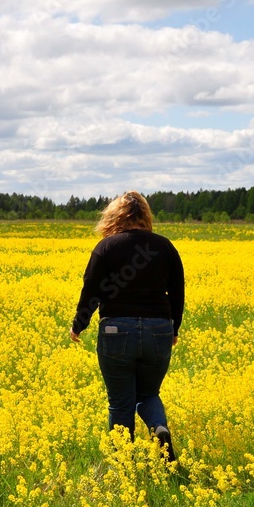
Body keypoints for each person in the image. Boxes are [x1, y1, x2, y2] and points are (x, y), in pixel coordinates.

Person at [70, 191, 185, 464]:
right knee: (148, 393)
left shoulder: (107, 247)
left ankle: (123, 466)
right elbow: (177, 292)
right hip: (159, 330)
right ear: (145, 215)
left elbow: (92, 290)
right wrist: (174, 328)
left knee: (121, 401)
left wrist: (79, 324)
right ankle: (159, 429)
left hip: (116, 331)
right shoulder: (165, 246)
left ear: (114, 215)